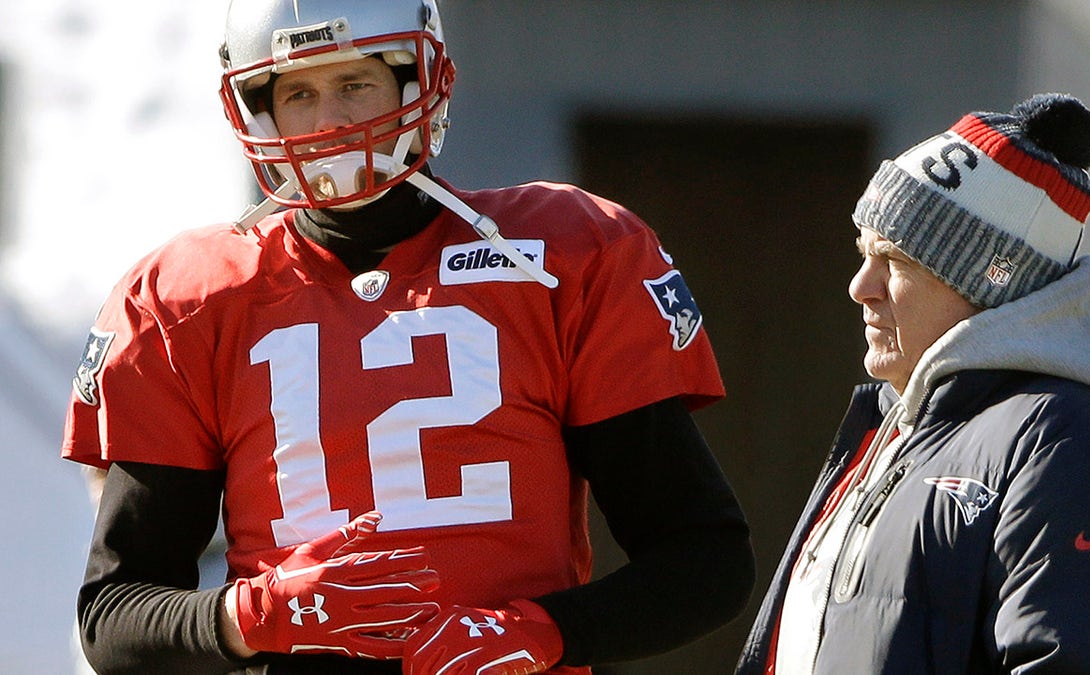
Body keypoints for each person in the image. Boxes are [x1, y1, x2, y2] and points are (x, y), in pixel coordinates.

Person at [61, 1, 755, 673]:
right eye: (298, 92)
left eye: (354, 83)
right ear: (257, 107)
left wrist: (541, 632)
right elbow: (115, 617)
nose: (328, 120)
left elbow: (706, 559)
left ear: (422, 80)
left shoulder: (562, 257)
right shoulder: (187, 298)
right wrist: (253, 615)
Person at [737, 93, 1090, 674]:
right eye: (862, 253)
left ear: (988, 282)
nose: (860, 286)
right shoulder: (899, 432)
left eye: (895, 261)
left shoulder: (1080, 447)